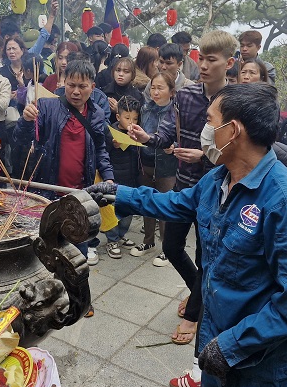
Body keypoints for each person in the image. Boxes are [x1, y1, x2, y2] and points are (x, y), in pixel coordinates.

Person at [87, 82, 287, 387]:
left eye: (210, 120)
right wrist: (122, 194)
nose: (204, 129)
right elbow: (176, 203)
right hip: (216, 343)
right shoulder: (218, 179)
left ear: (233, 130)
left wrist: (232, 346)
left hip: (256, 359)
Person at [128, 30, 234, 368]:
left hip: (218, 191)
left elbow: (237, 153)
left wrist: (203, 157)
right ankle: (198, 292)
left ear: (229, 63)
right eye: (200, 58)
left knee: (207, 257)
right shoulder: (186, 96)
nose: (202, 65)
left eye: (211, 60)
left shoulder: (237, 101)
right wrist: (149, 138)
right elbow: (170, 138)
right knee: (172, 246)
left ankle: (194, 313)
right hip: (186, 185)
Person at [15, 59, 114, 267]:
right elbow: (21, 141)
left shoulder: (96, 114)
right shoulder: (46, 106)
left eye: (82, 86)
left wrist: (109, 177)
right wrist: (25, 121)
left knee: (78, 255)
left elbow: (101, 150)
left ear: (92, 87)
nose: (76, 91)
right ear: (63, 84)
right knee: (45, 252)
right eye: (71, 85)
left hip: (80, 194)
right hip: (48, 192)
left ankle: (77, 297)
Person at [135, 72, 177, 262]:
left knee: (165, 207)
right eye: (153, 87)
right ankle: (148, 240)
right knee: (146, 203)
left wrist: (174, 147)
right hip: (146, 163)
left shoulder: (176, 111)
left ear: (172, 91)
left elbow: (180, 137)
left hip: (167, 166)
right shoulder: (145, 108)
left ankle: (167, 248)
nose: (155, 91)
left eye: (160, 88)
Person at [104, 96, 142, 258]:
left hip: (131, 178)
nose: (131, 122)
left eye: (135, 118)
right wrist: (112, 145)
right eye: (127, 118)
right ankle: (112, 239)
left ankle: (121, 235)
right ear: (118, 117)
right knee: (113, 210)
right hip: (115, 177)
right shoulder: (110, 132)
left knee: (127, 210)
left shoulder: (138, 132)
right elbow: (103, 153)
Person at [102, 57, 143, 123]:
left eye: (126, 71)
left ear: (132, 75)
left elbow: (138, 121)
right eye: (118, 70)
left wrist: (119, 110)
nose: (121, 74)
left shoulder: (138, 96)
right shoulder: (104, 92)